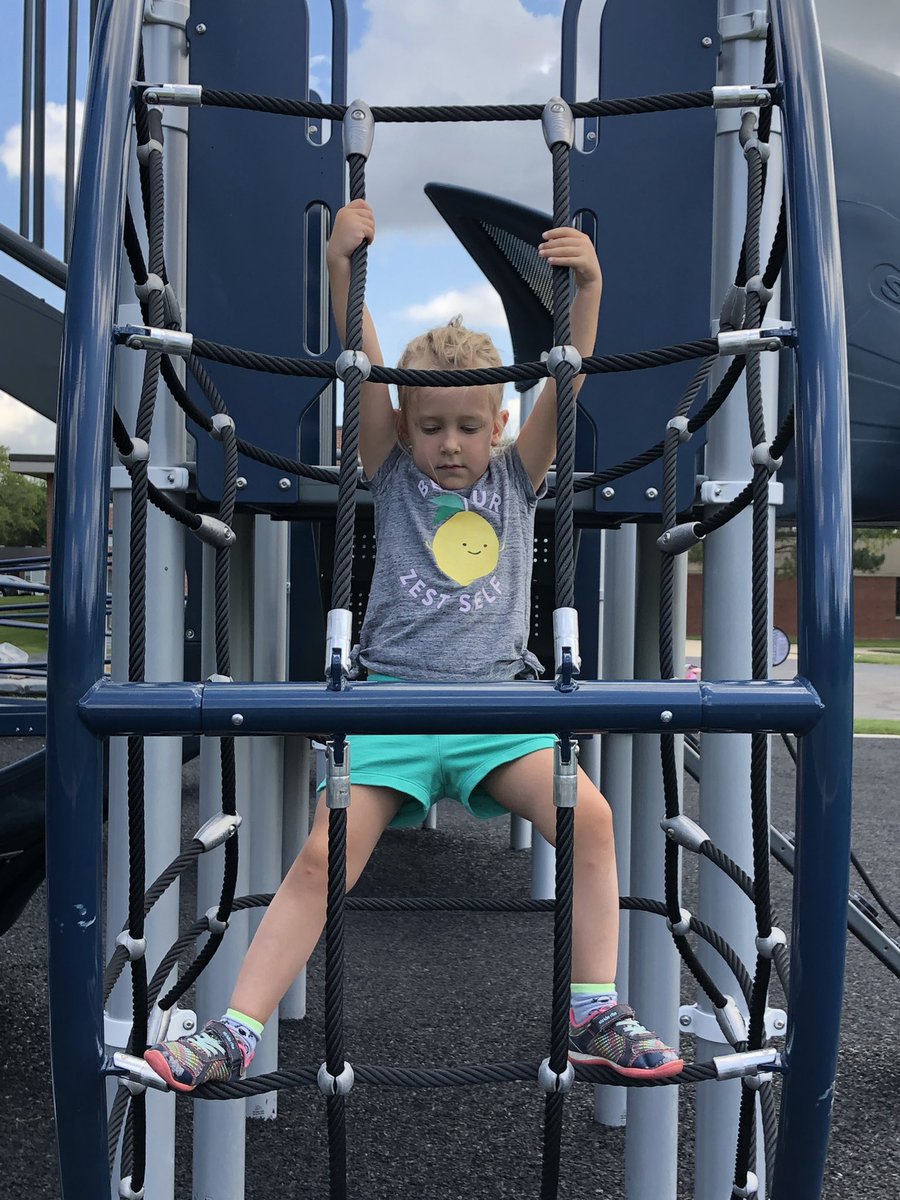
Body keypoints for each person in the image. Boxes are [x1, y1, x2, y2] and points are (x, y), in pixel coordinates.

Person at [144, 199, 682, 1091]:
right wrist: (342, 276)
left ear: (500, 424)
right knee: (320, 857)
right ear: (407, 426)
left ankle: (595, 1009)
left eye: (468, 427)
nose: (449, 445)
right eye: (431, 427)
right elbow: (367, 371)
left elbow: (569, 376)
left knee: (593, 817)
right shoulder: (390, 470)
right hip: (391, 706)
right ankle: (235, 1029)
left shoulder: (518, 476)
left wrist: (588, 285)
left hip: (496, 711)